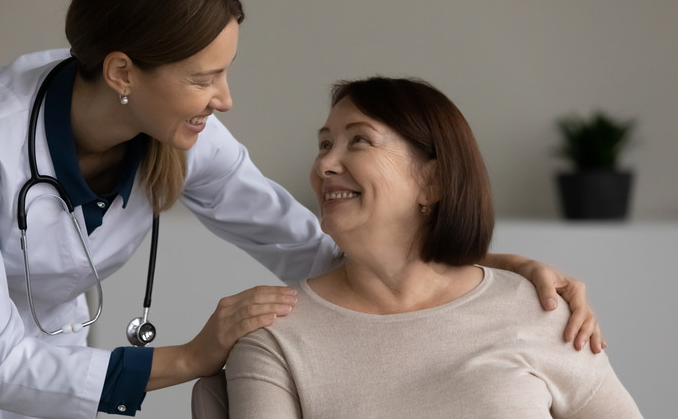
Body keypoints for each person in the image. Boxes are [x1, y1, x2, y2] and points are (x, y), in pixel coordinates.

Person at [0, 0, 599, 418]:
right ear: (122, 72)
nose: (225, 99)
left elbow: (318, 249)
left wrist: (489, 272)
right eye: (205, 77)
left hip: (58, 365)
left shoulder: (186, 134)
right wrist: (195, 355)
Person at [224, 77, 641, 418]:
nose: (324, 165)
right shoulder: (274, 334)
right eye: (324, 144)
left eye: (359, 141)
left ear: (433, 182)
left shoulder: (539, 311)